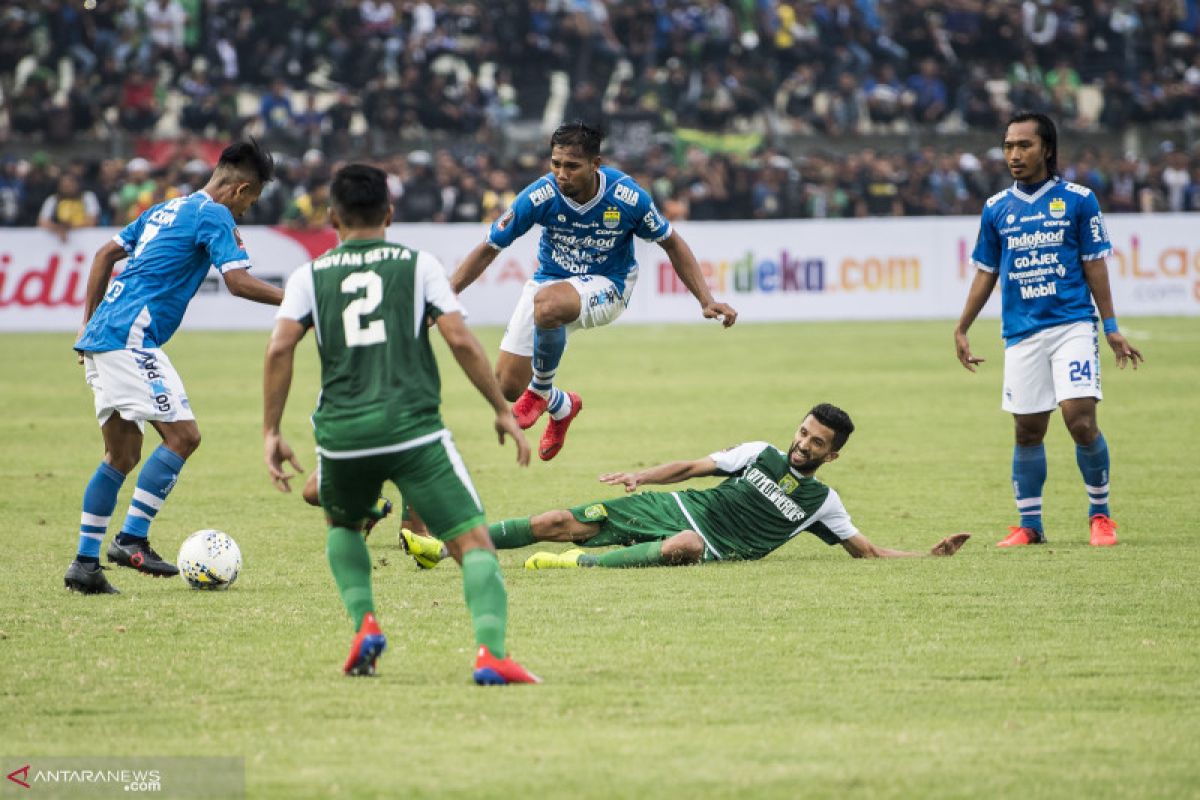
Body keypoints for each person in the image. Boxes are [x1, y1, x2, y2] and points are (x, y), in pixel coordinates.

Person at [262, 163, 540, 684]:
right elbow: (458, 339)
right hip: (413, 432)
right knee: (474, 543)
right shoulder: (419, 266)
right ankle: (491, 655)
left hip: (342, 435)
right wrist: (501, 409)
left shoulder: (309, 276)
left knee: (343, 526)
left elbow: (280, 347)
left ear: (331, 217)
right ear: (389, 213)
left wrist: (271, 431)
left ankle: (365, 625)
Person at [65, 140, 283, 595]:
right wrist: (301, 299)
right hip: (131, 336)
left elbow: (105, 253)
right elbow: (238, 283)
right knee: (184, 436)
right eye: (250, 202)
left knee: (121, 455)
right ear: (241, 188)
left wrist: (87, 326)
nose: (244, 212)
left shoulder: (167, 208)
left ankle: (85, 564)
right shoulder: (215, 215)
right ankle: (131, 539)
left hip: (104, 335)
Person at [450, 121, 738, 461]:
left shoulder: (627, 197)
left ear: (595, 165)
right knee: (508, 386)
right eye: (556, 164)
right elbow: (489, 247)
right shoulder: (539, 196)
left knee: (548, 304)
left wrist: (706, 300)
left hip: (610, 284)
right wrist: (445, 296)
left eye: (572, 166)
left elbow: (671, 242)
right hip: (551, 283)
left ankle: (541, 392)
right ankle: (562, 405)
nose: (561, 173)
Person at [399, 403, 971, 570]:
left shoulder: (824, 503)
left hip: (708, 543)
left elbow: (864, 551)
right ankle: (443, 544)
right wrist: (642, 476)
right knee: (557, 518)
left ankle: (569, 565)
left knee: (686, 549)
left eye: (817, 442)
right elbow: (695, 467)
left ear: (833, 454)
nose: (803, 444)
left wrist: (927, 554)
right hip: (669, 506)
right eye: (803, 431)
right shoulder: (759, 453)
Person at [954, 111, 1144, 549]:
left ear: (1047, 149)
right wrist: (962, 326)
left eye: (1024, 145)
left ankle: (1101, 516)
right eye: (1008, 146)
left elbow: (1094, 264)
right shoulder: (996, 208)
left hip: (1072, 325)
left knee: (1079, 419)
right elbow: (986, 272)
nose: (1014, 154)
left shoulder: (1079, 200)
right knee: (1027, 430)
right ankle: (1030, 525)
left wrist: (1110, 326)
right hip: (1021, 333)